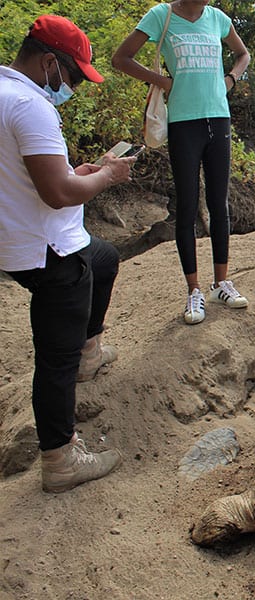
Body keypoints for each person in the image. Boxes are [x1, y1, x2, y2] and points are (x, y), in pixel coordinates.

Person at [0, 15, 136, 492]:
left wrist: (77, 169)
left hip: (16, 243)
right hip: (52, 250)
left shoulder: (2, 93)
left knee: (105, 258)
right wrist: (106, 177)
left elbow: (33, 174)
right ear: (47, 62)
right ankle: (59, 459)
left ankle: (88, 348)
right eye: (73, 75)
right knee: (53, 362)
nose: (73, 85)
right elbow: (59, 194)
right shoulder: (30, 105)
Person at [113, 0, 251, 325]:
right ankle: (193, 291)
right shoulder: (162, 15)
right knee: (187, 207)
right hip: (183, 123)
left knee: (220, 203)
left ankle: (221, 283)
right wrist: (160, 80)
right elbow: (121, 58)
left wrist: (230, 79)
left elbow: (242, 54)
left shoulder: (217, 18)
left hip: (218, 118)